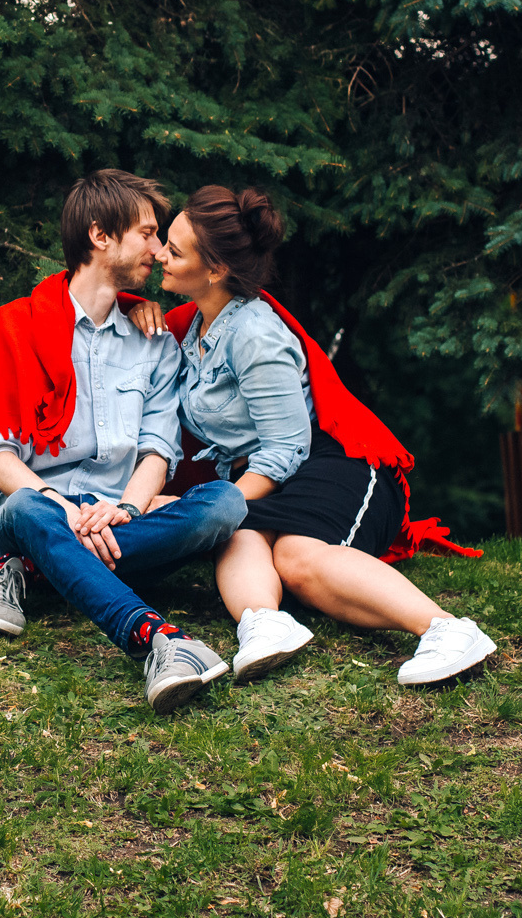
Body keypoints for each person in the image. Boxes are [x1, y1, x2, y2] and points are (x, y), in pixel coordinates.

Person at [0, 169, 248, 713]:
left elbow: (158, 449)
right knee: (30, 513)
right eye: (148, 233)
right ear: (100, 236)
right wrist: (64, 507)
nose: (159, 249)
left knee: (224, 502)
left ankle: (26, 570)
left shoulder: (154, 342)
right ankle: (159, 641)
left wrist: (126, 511)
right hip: (36, 507)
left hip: (115, 518)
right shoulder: (11, 328)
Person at [131, 185, 495, 687]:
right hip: (270, 476)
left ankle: (447, 630)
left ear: (215, 270)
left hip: (331, 464)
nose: (158, 254)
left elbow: (285, 448)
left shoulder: (253, 333)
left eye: (173, 249)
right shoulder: (192, 330)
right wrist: (136, 309)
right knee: (240, 536)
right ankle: (264, 625)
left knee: (295, 556)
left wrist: (206, 505)